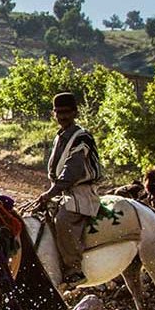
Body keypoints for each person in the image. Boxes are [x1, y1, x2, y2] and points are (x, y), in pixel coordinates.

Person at [34, 91, 101, 286]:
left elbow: (72, 172)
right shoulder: (60, 137)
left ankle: (74, 268)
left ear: (74, 113)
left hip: (81, 192)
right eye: (58, 112)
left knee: (64, 219)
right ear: (53, 114)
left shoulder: (81, 137)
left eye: (66, 112)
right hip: (65, 192)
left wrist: (49, 193)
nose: (62, 116)